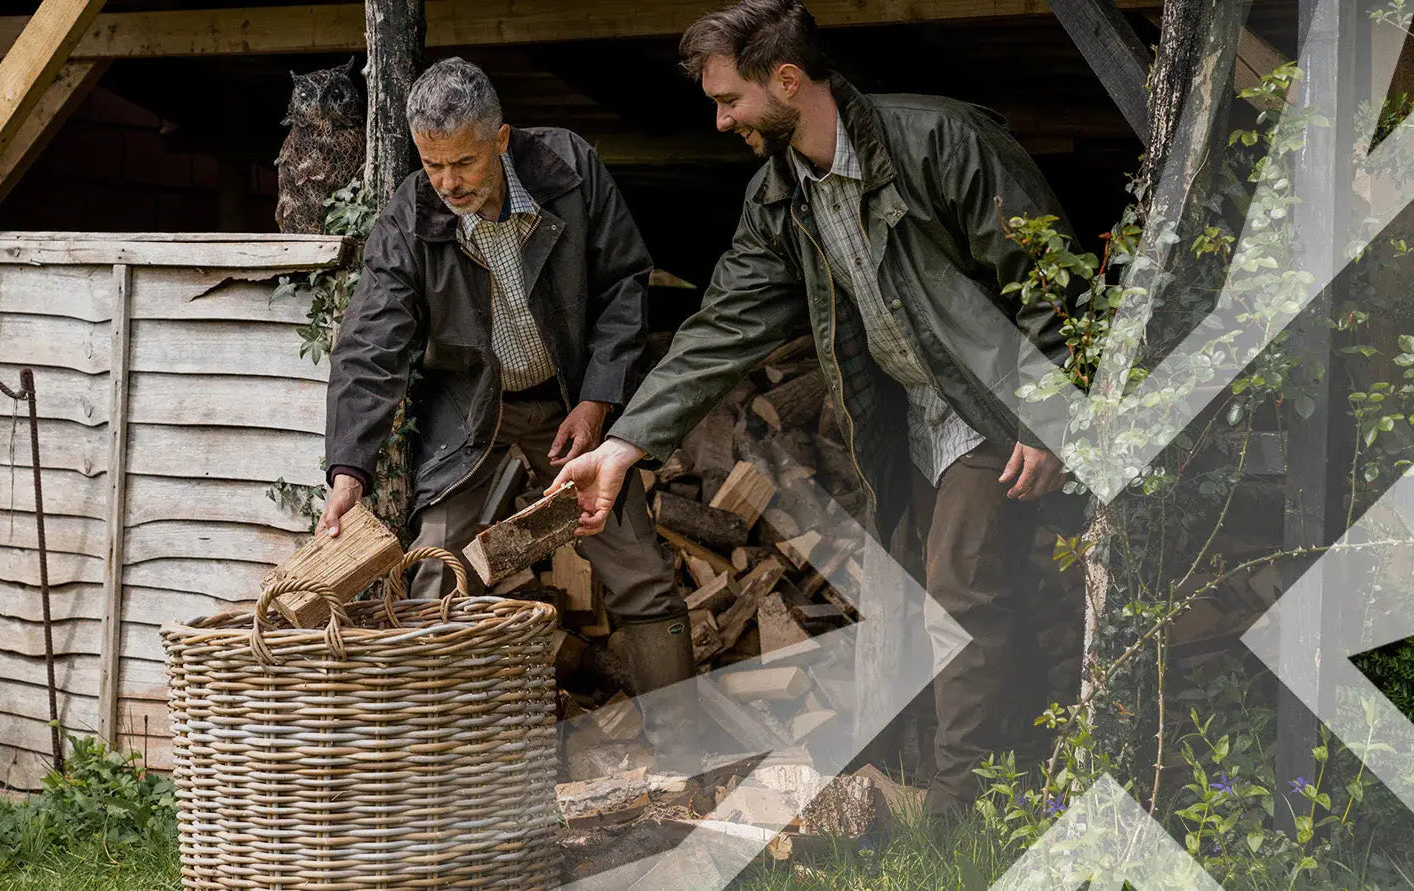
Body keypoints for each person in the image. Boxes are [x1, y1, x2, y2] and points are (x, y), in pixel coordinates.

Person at [551, 0, 1077, 817]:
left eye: (729, 100)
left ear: (787, 80)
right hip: (911, 422)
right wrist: (625, 445)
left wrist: (1048, 417)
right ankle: (1012, 781)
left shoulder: (939, 142)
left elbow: (1048, 273)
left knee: (964, 591)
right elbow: (722, 325)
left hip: (991, 408)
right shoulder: (781, 198)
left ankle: (956, 812)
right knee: (934, 596)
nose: (722, 120)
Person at [319, 57, 697, 748]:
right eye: (433, 164)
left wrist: (597, 400)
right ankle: (438, 763)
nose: (448, 183)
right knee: (432, 578)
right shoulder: (411, 213)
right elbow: (370, 344)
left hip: (573, 405)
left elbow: (622, 284)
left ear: (501, 140)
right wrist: (349, 470)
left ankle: (686, 750)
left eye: (463, 161)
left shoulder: (569, 169)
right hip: (472, 421)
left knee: (642, 574)